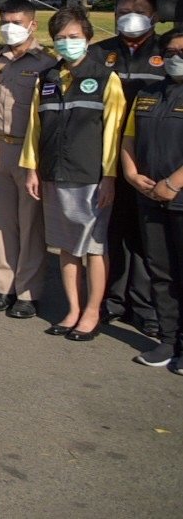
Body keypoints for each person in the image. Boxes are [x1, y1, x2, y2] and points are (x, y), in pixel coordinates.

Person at [23, 6, 126, 341]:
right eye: (61, 38)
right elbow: (34, 128)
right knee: (67, 247)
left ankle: (93, 312)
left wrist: (109, 176)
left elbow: (114, 132)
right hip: (54, 174)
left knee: (94, 248)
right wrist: (32, 169)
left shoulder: (106, 79)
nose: (67, 43)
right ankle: (73, 309)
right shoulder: (49, 78)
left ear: (88, 38)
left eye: (74, 37)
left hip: (91, 178)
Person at [0, 0, 56, 318]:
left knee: (30, 225)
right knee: (2, 223)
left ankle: (28, 292)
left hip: (29, 152)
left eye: (17, 22)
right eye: (4, 21)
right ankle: (4, 287)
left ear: (33, 25)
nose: (9, 28)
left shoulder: (47, 64)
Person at [97, 0, 165, 338]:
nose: (131, 16)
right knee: (114, 232)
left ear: (154, 16)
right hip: (108, 160)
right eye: (123, 11)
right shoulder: (101, 52)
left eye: (139, 11)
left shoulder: (167, 52)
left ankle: (146, 306)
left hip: (150, 161)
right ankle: (113, 300)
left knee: (147, 239)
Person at [122, 28, 183, 372]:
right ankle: (168, 340)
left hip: (178, 196)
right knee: (160, 272)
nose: (176, 58)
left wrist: (174, 183)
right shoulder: (148, 93)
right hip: (148, 196)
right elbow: (129, 137)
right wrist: (132, 175)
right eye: (170, 52)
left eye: (182, 52)